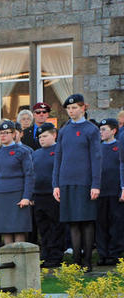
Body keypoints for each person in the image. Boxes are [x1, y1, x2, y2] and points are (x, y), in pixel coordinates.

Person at [52, 94, 101, 271]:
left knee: (86, 222)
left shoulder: (91, 129)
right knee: (72, 222)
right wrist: (55, 184)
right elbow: (58, 157)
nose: (71, 111)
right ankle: (76, 260)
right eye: (69, 108)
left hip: (85, 182)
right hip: (66, 182)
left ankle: (87, 261)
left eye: (74, 108)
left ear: (83, 108)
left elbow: (96, 158)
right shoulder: (64, 130)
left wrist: (96, 184)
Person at [0, 120, 34, 245]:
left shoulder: (23, 151)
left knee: (19, 229)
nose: (3, 135)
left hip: (18, 194)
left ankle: (21, 261)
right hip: (1, 194)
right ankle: (8, 261)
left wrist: (26, 196)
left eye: (6, 133)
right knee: (5, 229)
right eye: (0, 133)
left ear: (14, 134)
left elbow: (29, 175)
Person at [31, 123, 66, 267]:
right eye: (40, 137)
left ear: (54, 135)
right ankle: (45, 254)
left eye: (45, 136)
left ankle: (56, 255)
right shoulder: (36, 153)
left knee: (55, 226)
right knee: (43, 227)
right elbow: (31, 174)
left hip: (53, 195)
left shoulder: (60, 150)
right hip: (38, 195)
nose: (42, 139)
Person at [95, 118, 123, 265]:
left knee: (116, 223)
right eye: (100, 130)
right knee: (101, 224)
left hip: (115, 191)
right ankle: (103, 254)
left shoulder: (119, 147)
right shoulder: (97, 148)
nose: (101, 132)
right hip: (100, 192)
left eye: (104, 129)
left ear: (113, 131)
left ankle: (115, 253)